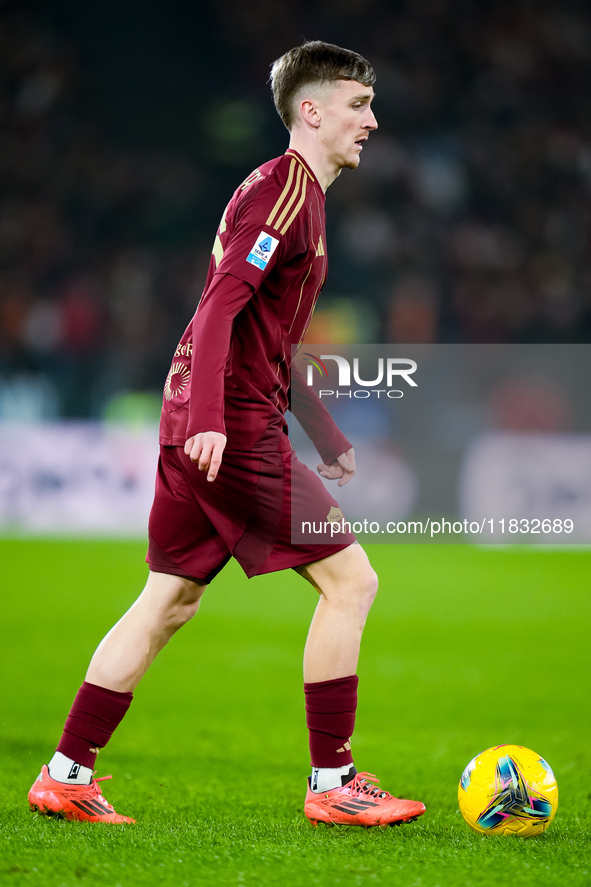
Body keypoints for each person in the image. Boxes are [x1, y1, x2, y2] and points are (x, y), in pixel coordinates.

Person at [28, 40, 426, 828]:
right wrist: (214, 419)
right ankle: (333, 782)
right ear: (309, 112)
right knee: (352, 583)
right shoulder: (286, 191)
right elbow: (218, 307)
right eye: (356, 105)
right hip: (228, 426)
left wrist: (322, 427)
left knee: (167, 599)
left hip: (199, 416)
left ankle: (66, 771)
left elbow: (266, 333)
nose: (370, 122)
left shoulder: (287, 194)